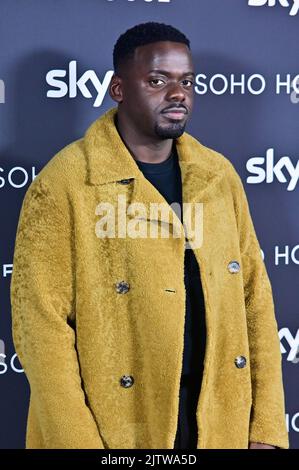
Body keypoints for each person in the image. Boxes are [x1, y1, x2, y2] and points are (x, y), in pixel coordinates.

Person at [10, 22, 289, 449]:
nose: (178, 94)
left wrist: (265, 429)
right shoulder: (65, 183)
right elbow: (41, 330)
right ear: (118, 89)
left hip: (216, 425)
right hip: (115, 430)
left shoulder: (218, 177)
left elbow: (254, 299)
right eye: (157, 80)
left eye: (186, 82)